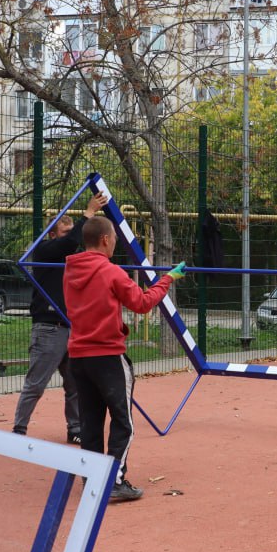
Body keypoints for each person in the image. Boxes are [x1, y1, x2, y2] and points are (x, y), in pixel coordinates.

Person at [64, 215, 187, 503]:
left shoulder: (70, 271)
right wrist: (168, 279)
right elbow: (142, 303)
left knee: (91, 421)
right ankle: (114, 482)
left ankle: (92, 480)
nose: (115, 244)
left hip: (78, 356)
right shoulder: (111, 272)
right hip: (106, 355)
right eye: (115, 239)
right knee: (123, 421)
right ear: (105, 239)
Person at [13, 192, 109, 441]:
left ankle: (75, 429)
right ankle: (19, 430)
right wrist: (88, 213)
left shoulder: (71, 259)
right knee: (36, 383)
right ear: (53, 235)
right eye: (65, 232)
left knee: (75, 384)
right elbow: (69, 242)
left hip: (70, 327)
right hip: (49, 328)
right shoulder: (45, 251)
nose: (72, 237)